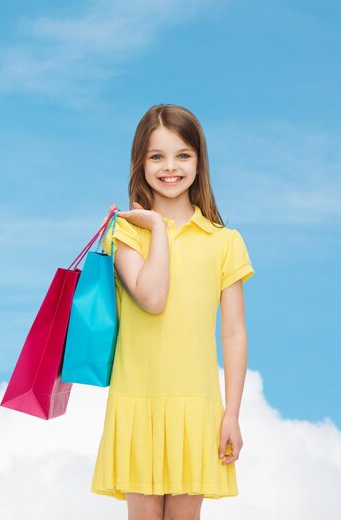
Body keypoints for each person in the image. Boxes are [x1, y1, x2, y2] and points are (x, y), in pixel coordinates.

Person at [90, 104, 255, 520]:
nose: (170, 167)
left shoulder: (225, 240)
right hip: (137, 400)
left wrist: (231, 414)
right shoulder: (125, 232)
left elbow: (233, 333)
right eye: (156, 156)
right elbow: (152, 297)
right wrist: (157, 229)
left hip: (196, 406)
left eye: (183, 155)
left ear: (199, 162)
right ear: (140, 163)